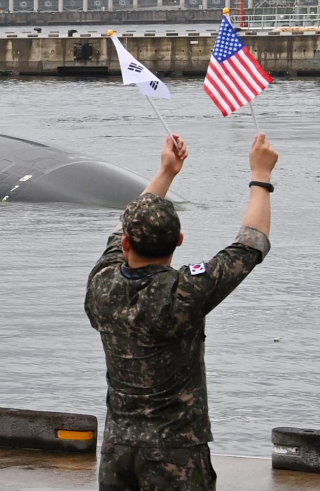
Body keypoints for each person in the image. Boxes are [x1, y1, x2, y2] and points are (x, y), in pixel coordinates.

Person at [86, 133, 277, 491]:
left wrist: (165, 173)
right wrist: (261, 174)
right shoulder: (185, 291)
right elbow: (251, 243)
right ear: (179, 241)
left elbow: (122, 227)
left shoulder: (102, 283)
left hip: (118, 449)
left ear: (126, 243)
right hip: (176, 452)